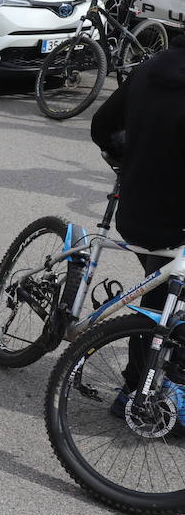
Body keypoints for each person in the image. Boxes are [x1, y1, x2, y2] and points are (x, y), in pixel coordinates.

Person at [91, 33, 185, 412]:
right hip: (176, 223)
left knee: (161, 293)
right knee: (167, 298)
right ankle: (140, 390)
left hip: (135, 211)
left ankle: (140, 383)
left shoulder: (147, 69)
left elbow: (101, 126)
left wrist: (129, 159)